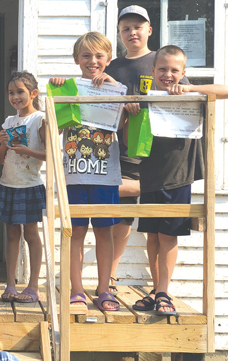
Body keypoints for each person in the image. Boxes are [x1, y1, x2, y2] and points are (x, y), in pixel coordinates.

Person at [107, 5, 191, 306]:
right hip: (123, 146)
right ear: (120, 33)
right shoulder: (113, 67)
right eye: (126, 28)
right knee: (123, 215)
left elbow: (191, 99)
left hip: (163, 158)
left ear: (149, 30)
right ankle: (112, 278)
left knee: (161, 229)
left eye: (138, 27)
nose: (132, 32)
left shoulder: (162, 61)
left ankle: (161, 291)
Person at [126, 45, 211, 314]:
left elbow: (224, 91)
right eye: (162, 69)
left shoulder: (192, 94)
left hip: (179, 175)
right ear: (152, 71)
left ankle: (164, 291)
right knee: (151, 235)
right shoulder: (146, 98)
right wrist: (131, 113)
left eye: (174, 70)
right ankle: (156, 289)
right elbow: (130, 139)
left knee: (168, 235)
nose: (168, 74)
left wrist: (187, 89)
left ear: (183, 73)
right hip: (150, 174)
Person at [49, 32, 122, 311]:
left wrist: (114, 85)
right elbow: (52, 127)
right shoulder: (68, 88)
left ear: (108, 59)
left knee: (105, 234)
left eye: (99, 56)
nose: (93, 61)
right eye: (86, 55)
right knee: (75, 234)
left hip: (105, 174)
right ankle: (76, 290)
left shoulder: (116, 88)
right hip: (75, 175)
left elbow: (127, 121)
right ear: (76, 59)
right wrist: (57, 89)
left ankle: (104, 289)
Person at [0, 71, 46, 303]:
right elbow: (1, 158)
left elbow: (48, 154)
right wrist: (3, 145)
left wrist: (28, 152)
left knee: (31, 234)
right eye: (11, 93)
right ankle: (11, 285)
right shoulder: (8, 121)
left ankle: (33, 286)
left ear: (33, 93)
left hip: (29, 185)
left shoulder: (40, 119)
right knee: (12, 235)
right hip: (8, 184)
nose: (15, 97)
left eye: (20, 92)